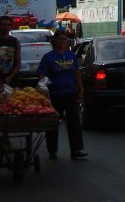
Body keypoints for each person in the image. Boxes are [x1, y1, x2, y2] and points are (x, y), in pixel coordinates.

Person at [37, 31, 87, 160]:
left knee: (74, 122)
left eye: (65, 39)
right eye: (60, 39)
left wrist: (81, 89)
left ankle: (76, 149)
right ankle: (52, 150)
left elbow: (76, 74)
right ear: (54, 41)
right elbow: (41, 75)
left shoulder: (71, 56)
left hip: (70, 93)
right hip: (54, 95)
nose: (63, 41)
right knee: (53, 123)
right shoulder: (48, 57)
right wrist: (42, 90)